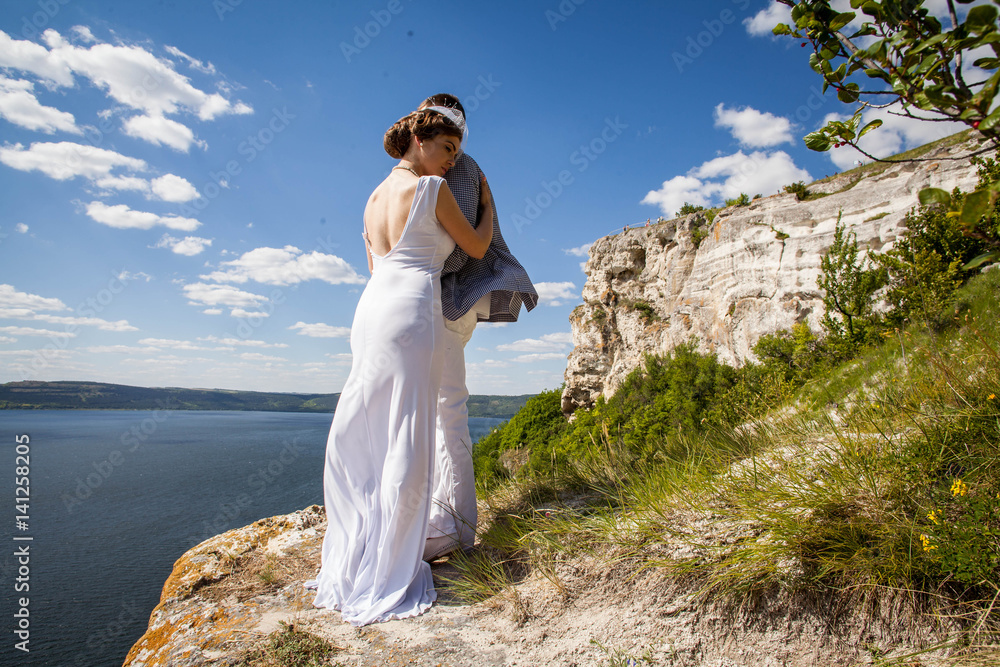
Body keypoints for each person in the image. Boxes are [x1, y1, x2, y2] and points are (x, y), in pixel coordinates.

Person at [309, 107, 494, 626]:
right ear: (418, 137)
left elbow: (373, 264)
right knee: (410, 426)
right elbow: (476, 246)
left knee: (366, 425)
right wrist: (486, 205)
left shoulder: (372, 198)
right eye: (447, 149)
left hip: (371, 308)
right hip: (413, 306)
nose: (450, 161)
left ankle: (363, 545)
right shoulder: (432, 190)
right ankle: (395, 557)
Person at [416, 94, 537, 562]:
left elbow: (464, 248)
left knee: (447, 410)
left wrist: (423, 270)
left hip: (449, 297)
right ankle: (443, 516)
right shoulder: (435, 170)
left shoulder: (461, 170)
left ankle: (459, 526)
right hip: (434, 300)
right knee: (435, 412)